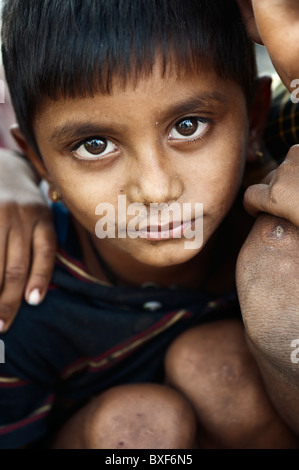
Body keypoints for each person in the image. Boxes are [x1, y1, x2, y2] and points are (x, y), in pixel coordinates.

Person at [0, 0, 298, 449]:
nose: (156, 191)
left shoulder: (278, 220)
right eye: (95, 145)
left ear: (254, 121)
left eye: (189, 125)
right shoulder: (20, 293)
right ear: (40, 163)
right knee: (138, 426)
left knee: (215, 367)